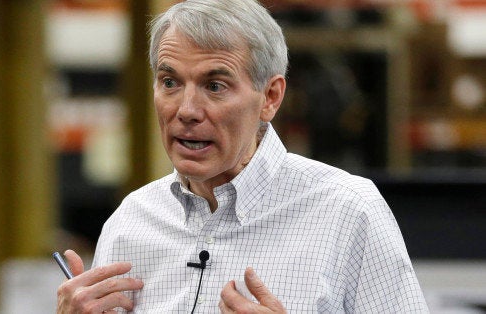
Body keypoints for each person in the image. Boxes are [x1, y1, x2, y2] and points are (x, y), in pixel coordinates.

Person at [56, 0, 429, 312]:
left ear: (270, 97)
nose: (186, 109)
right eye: (170, 82)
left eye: (214, 86)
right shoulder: (129, 223)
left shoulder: (347, 211)